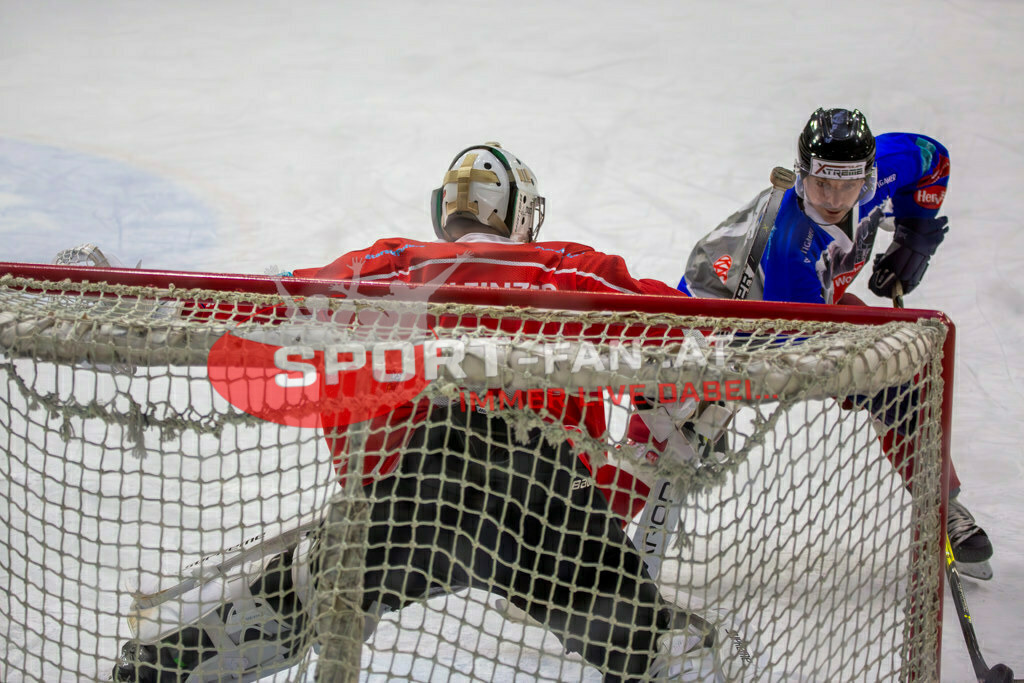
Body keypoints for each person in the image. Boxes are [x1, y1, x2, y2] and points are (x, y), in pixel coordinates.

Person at [112, 143, 759, 682]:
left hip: (418, 484)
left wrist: (139, 302)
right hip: (542, 494)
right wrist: (728, 363)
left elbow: (268, 300)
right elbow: (681, 328)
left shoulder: (391, 263)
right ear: (520, 212)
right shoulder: (566, 265)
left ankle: (162, 664)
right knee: (655, 651)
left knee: (307, 597)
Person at [682, 107, 994, 579]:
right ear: (801, 173)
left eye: (847, 186)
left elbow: (934, 159)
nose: (833, 199)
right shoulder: (790, 246)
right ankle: (588, 542)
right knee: (662, 446)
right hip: (720, 337)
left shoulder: (889, 165)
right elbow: (805, 354)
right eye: (821, 184)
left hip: (802, 312)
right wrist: (875, 381)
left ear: (868, 175)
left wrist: (916, 235)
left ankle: (941, 503)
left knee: (905, 371)